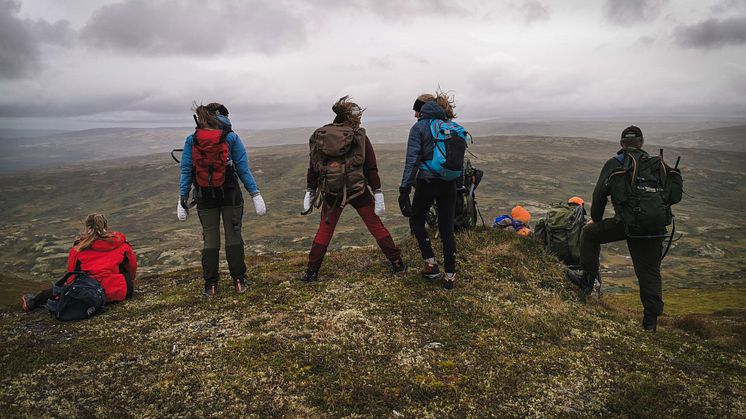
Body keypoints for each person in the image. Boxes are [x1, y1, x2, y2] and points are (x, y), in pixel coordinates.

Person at [566, 126, 683, 332]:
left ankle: (587, 282)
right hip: (654, 227)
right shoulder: (658, 165)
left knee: (590, 233)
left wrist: (595, 219)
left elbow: (599, 194)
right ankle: (650, 323)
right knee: (649, 272)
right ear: (642, 142)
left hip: (627, 224)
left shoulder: (615, 164)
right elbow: (674, 196)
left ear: (622, 144)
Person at [301, 96, 405, 282]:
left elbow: (313, 166)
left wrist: (310, 189)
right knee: (375, 225)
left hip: (331, 191)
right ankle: (397, 262)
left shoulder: (321, 136)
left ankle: (311, 271)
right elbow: (370, 167)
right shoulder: (359, 137)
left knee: (325, 230)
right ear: (351, 117)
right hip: (358, 190)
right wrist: (377, 191)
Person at [177, 103, 266, 297]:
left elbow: (186, 170)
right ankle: (239, 281)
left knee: (210, 239)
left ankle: (211, 286)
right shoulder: (231, 137)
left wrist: (182, 198)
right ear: (224, 116)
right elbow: (243, 168)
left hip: (204, 195)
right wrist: (255, 194)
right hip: (230, 193)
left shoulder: (193, 139)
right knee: (233, 236)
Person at [399, 92, 464, 289]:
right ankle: (450, 276)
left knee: (417, 220)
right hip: (449, 183)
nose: (415, 115)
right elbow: (458, 159)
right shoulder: (451, 127)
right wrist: (459, 184)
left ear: (423, 110)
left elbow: (412, 160)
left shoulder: (419, 128)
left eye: (416, 110)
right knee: (447, 229)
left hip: (427, 182)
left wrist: (404, 189)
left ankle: (430, 264)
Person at [21, 213, 137, 311]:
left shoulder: (78, 249)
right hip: (120, 292)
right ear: (105, 226)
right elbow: (131, 272)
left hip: (87, 295)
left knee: (60, 287)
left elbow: (70, 278)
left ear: (87, 227)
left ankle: (33, 301)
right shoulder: (122, 245)